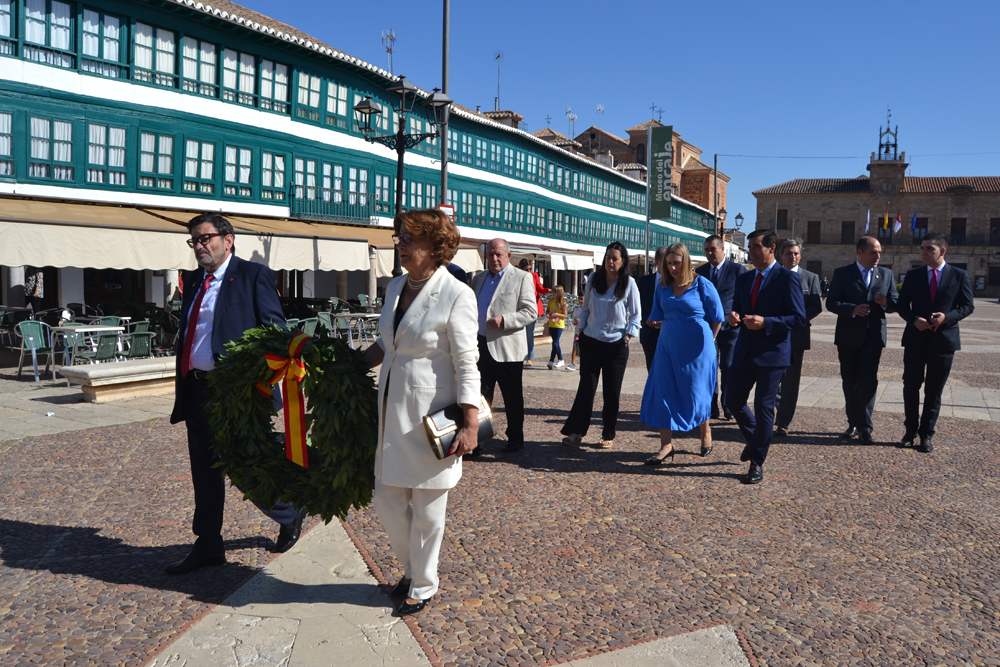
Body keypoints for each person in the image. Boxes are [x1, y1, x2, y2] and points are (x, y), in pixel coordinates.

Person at [167, 213, 305, 575]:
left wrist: (257, 381)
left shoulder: (252, 275)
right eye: (194, 240)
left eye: (205, 238)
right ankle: (208, 544)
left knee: (242, 463)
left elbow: (276, 333)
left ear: (227, 240)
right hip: (195, 387)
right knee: (204, 470)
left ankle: (289, 510)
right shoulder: (194, 280)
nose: (199, 246)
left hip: (234, 391)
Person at [362, 208, 480, 616]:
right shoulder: (395, 287)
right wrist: (350, 365)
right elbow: (386, 344)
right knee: (386, 501)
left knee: (429, 512)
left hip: (434, 420)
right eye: (400, 237)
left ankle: (423, 583)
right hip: (391, 417)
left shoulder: (457, 294)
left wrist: (470, 422)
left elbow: (467, 361)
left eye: (410, 238)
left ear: (436, 246)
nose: (401, 245)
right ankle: (413, 569)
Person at [724, 229, 806, 484]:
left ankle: (756, 462)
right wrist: (734, 318)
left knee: (763, 408)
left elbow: (799, 317)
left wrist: (767, 322)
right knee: (733, 401)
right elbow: (737, 307)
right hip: (745, 350)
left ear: (772, 248)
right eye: (750, 247)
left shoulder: (786, 279)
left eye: (756, 247)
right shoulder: (745, 278)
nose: (751, 251)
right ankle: (756, 441)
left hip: (773, 355)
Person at [640, 243, 724, 465]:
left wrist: (710, 342)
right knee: (664, 393)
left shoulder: (702, 284)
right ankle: (666, 445)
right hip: (667, 348)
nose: (672, 268)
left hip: (698, 351)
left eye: (676, 263)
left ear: (686, 262)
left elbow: (717, 318)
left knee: (697, 393)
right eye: (669, 263)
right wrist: (651, 321)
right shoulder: (663, 286)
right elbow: (657, 315)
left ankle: (705, 432)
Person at [896, 232, 974, 453]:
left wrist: (946, 317)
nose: (924, 252)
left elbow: (967, 306)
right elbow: (902, 306)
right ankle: (909, 432)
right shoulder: (913, 275)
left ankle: (926, 435)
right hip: (915, 340)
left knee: (934, 391)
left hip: (943, 342)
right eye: (922, 248)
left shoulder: (959, 275)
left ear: (942, 251)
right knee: (911, 387)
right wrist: (914, 319)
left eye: (929, 248)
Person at [561, 241, 641, 449]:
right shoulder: (594, 279)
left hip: (616, 345)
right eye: (608, 258)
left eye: (615, 259)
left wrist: (627, 337)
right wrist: (581, 333)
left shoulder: (629, 283)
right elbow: (585, 308)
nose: (610, 262)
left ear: (623, 262)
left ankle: (608, 433)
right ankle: (577, 432)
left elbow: (636, 316)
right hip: (591, 341)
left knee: (611, 392)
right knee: (586, 388)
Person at [826, 236, 898, 444]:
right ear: (860, 253)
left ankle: (866, 427)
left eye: (879, 253)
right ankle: (853, 423)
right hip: (848, 336)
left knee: (868, 381)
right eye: (873, 252)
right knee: (850, 381)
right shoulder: (843, 273)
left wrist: (885, 303)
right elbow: (832, 303)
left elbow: (895, 303)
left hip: (873, 336)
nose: (878, 256)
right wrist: (852, 309)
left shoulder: (886, 274)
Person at [471, 240, 537, 453]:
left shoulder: (522, 277)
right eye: (490, 255)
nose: (494, 259)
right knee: (480, 395)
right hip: (480, 345)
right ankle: (478, 440)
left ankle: (515, 438)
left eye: (498, 254)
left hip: (507, 348)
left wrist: (505, 320)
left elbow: (530, 311)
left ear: (509, 255)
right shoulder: (478, 279)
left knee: (512, 397)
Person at [774, 238, 824, 437]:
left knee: (791, 381)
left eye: (795, 253)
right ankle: (773, 411)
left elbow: (816, 306)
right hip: (774, 334)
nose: (792, 257)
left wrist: (795, 319)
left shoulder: (810, 278)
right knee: (772, 378)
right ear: (781, 256)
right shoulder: (773, 276)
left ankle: (784, 421)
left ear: (800, 256)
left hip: (797, 335)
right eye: (788, 254)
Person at [695, 235, 746, 420]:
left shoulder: (737, 270)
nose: (709, 253)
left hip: (730, 327)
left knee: (728, 366)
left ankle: (728, 404)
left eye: (712, 249)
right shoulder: (699, 272)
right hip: (706, 328)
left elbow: (743, 296)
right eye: (706, 249)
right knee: (708, 367)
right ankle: (711, 405)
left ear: (722, 248)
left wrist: (738, 314)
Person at [638, 247, 667, 371]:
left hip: (668, 332)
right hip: (649, 334)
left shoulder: (676, 283)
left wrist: (664, 321)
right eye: (665, 261)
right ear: (657, 262)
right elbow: (637, 307)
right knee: (652, 371)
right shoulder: (644, 281)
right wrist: (646, 320)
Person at [519, 258, 549, 367]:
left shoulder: (534, 276)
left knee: (529, 334)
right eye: (526, 269)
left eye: (530, 269)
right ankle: (521, 356)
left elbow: (540, 289)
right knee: (521, 335)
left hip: (533, 309)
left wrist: (547, 290)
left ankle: (530, 358)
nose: (529, 271)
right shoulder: (519, 277)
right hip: (521, 309)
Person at [545, 285, 568, 369]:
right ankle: (561, 359)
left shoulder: (563, 303)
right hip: (551, 324)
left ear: (558, 293)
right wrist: (547, 314)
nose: (552, 293)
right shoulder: (550, 301)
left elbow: (565, 315)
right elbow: (547, 310)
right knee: (556, 342)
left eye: (554, 292)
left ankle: (551, 361)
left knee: (555, 343)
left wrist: (557, 314)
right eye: (552, 292)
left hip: (559, 325)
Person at [566, 290, 585, 371]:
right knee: (575, 346)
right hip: (577, 332)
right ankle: (573, 363)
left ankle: (584, 364)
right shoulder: (577, 310)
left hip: (585, 332)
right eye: (579, 299)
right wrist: (575, 322)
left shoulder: (588, 309)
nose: (581, 301)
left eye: (582, 299)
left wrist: (581, 320)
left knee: (584, 348)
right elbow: (573, 320)